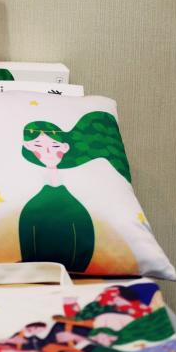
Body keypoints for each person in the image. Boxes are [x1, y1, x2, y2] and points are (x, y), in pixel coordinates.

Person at [18, 112, 131, 272]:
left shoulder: (74, 205)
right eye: (38, 146)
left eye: (54, 146)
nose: (48, 151)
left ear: (65, 148)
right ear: (28, 146)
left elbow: (84, 231)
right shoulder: (32, 206)